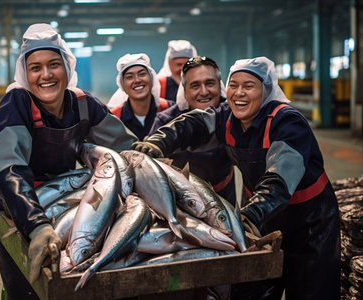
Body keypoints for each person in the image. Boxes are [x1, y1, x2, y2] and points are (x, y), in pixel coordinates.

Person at [132, 56, 340, 300]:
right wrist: (159, 141)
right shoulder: (227, 117)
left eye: (248, 86)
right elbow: (193, 122)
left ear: (266, 90)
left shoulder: (287, 122)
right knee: (251, 288)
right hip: (265, 218)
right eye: (234, 85)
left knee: (310, 289)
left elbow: (279, 180)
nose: (239, 93)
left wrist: (250, 216)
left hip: (309, 223)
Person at [0, 23, 137, 300]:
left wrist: (154, 162)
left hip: (65, 196)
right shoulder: (16, 104)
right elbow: (9, 170)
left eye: (54, 64)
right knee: (28, 285)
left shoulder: (82, 103)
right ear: (25, 73)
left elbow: (126, 147)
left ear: (67, 67)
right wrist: (36, 225)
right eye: (35, 68)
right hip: (17, 207)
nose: (46, 75)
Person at [150, 56, 236, 203]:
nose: (203, 92)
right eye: (195, 86)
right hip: (181, 202)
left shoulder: (232, 116)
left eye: (210, 83)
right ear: (184, 92)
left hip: (224, 198)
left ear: (219, 86)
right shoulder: (165, 121)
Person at [108, 53, 175, 141]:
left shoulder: (170, 110)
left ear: (151, 79)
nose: (137, 80)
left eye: (142, 74)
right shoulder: (115, 118)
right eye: (129, 77)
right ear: (122, 85)